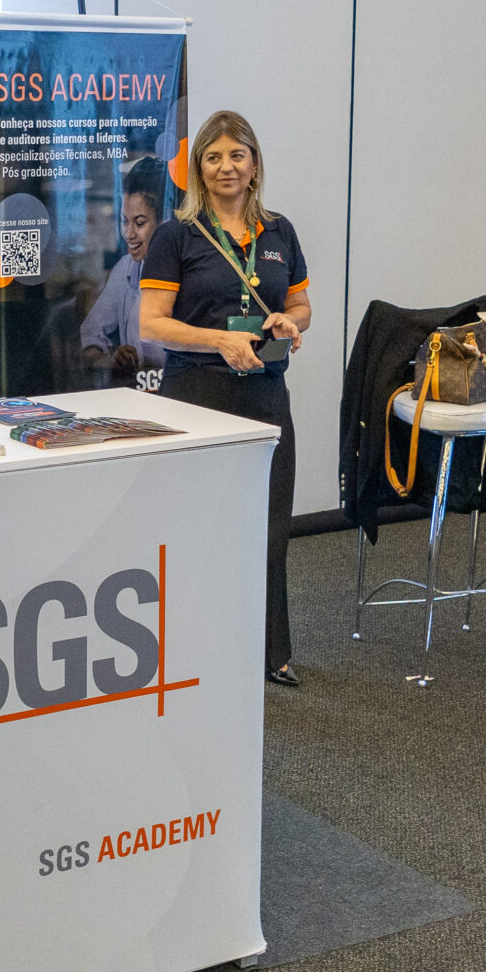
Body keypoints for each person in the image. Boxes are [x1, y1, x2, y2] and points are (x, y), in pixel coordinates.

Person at [138, 110, 313, 686]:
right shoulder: (176, 236)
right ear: (198, 169)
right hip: (197, 398)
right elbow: (152, 324)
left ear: (254, 165)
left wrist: (290, 321)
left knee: (270, 527)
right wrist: (218, 339)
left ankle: (271, 651)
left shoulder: (279, 232)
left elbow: (301, 305)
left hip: (266, 394)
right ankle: (197, 652)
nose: (226, 167)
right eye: (213, 157)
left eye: (237, 155)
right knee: (201, 529)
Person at [80, 154, 168, 387]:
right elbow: (91, 333)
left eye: (139, 223)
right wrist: (110, 360)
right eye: (124, 221)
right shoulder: (125, 269)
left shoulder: (187, 271)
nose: (129, 234)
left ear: (164, 222)